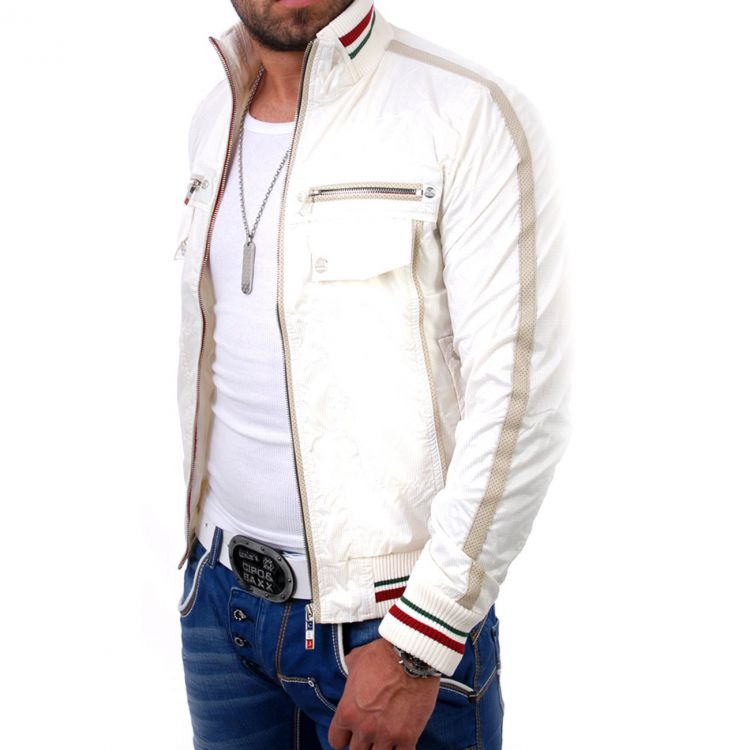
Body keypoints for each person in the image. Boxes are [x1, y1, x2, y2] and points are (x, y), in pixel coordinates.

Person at [173, 0, 571, 748]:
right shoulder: (211, 117)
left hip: (389, 631)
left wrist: (423, 639)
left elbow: (521, 403)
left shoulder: (465, 111)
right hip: (221, 608)